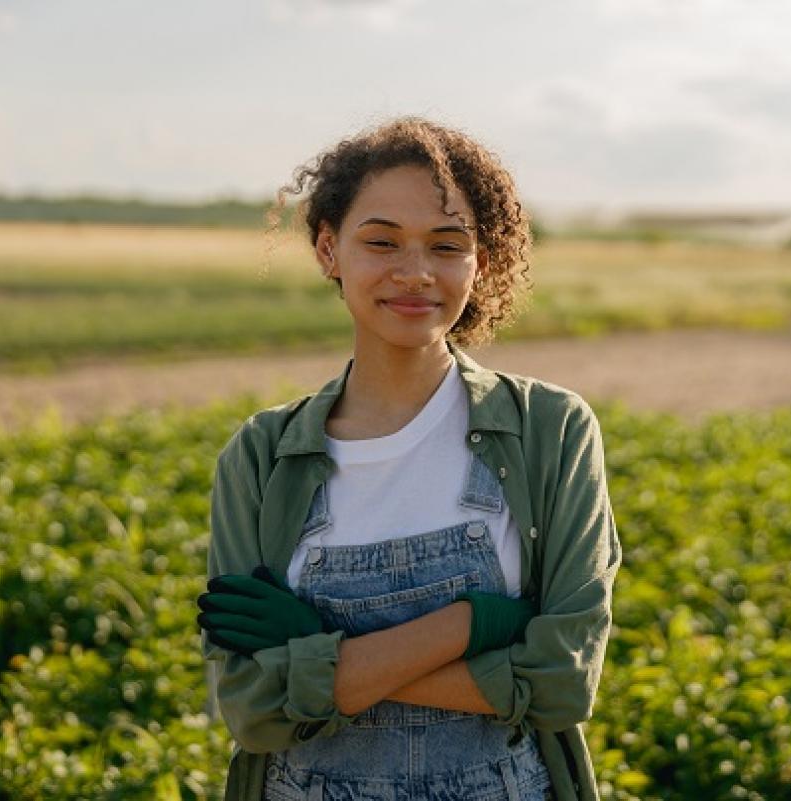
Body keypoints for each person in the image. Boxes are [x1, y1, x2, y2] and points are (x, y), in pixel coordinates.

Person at [197, 117, 621, 801]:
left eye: (447, 245)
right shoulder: (262, 454)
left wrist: (316, 655)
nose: (415, 271)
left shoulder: (551, 430)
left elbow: (560, 684)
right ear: (330, 249)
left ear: (481, 262)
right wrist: (472, 626)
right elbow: (253, 707)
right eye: (382, 240)